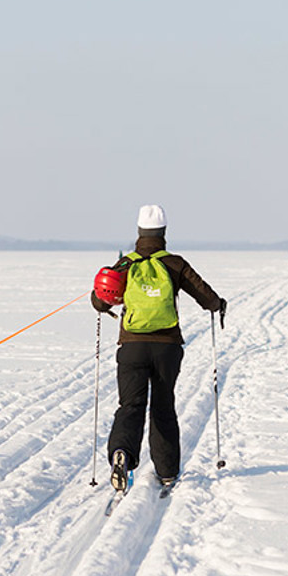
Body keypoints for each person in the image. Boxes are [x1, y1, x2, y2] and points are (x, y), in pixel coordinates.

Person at [91, 205, 225, 490]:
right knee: (163, 406)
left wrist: (98, 297)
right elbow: (207, 297)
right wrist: (218, 305)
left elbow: (102, 301)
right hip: (167, 348)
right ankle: (166, 471)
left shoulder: (125, 264)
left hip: (132, 346)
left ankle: (122, 454)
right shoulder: (175, 263)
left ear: (139, 231)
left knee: (130, 405)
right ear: (163, 232)